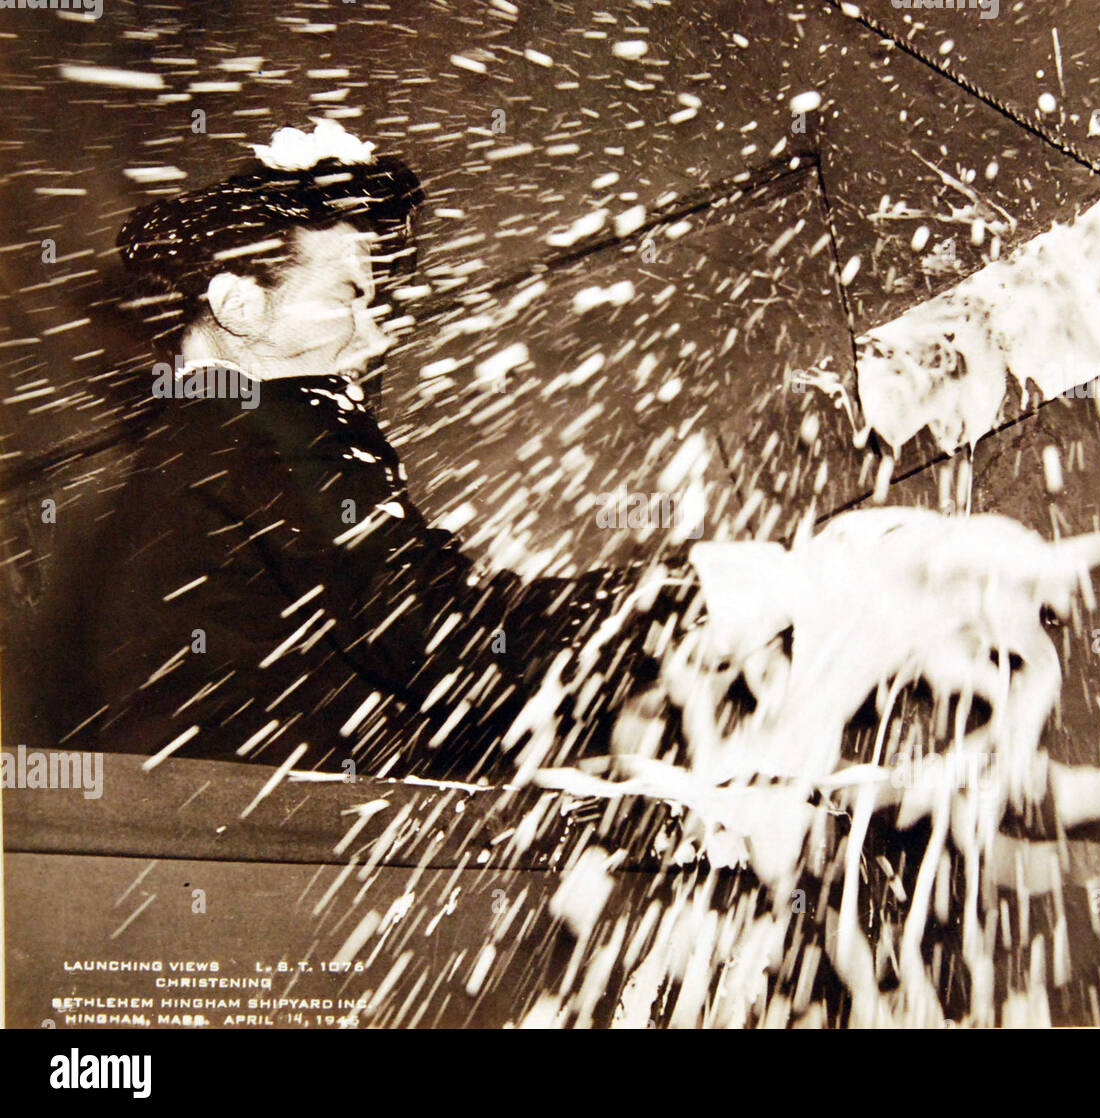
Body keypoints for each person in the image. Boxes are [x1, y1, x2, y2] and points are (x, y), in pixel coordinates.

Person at [67, 123, 693, 780]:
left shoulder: (196, 443)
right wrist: (689, 605)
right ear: (238, 305)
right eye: (348, 296)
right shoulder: (264, 427)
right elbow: (441, 633)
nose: (373, 339)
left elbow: (408, 656)